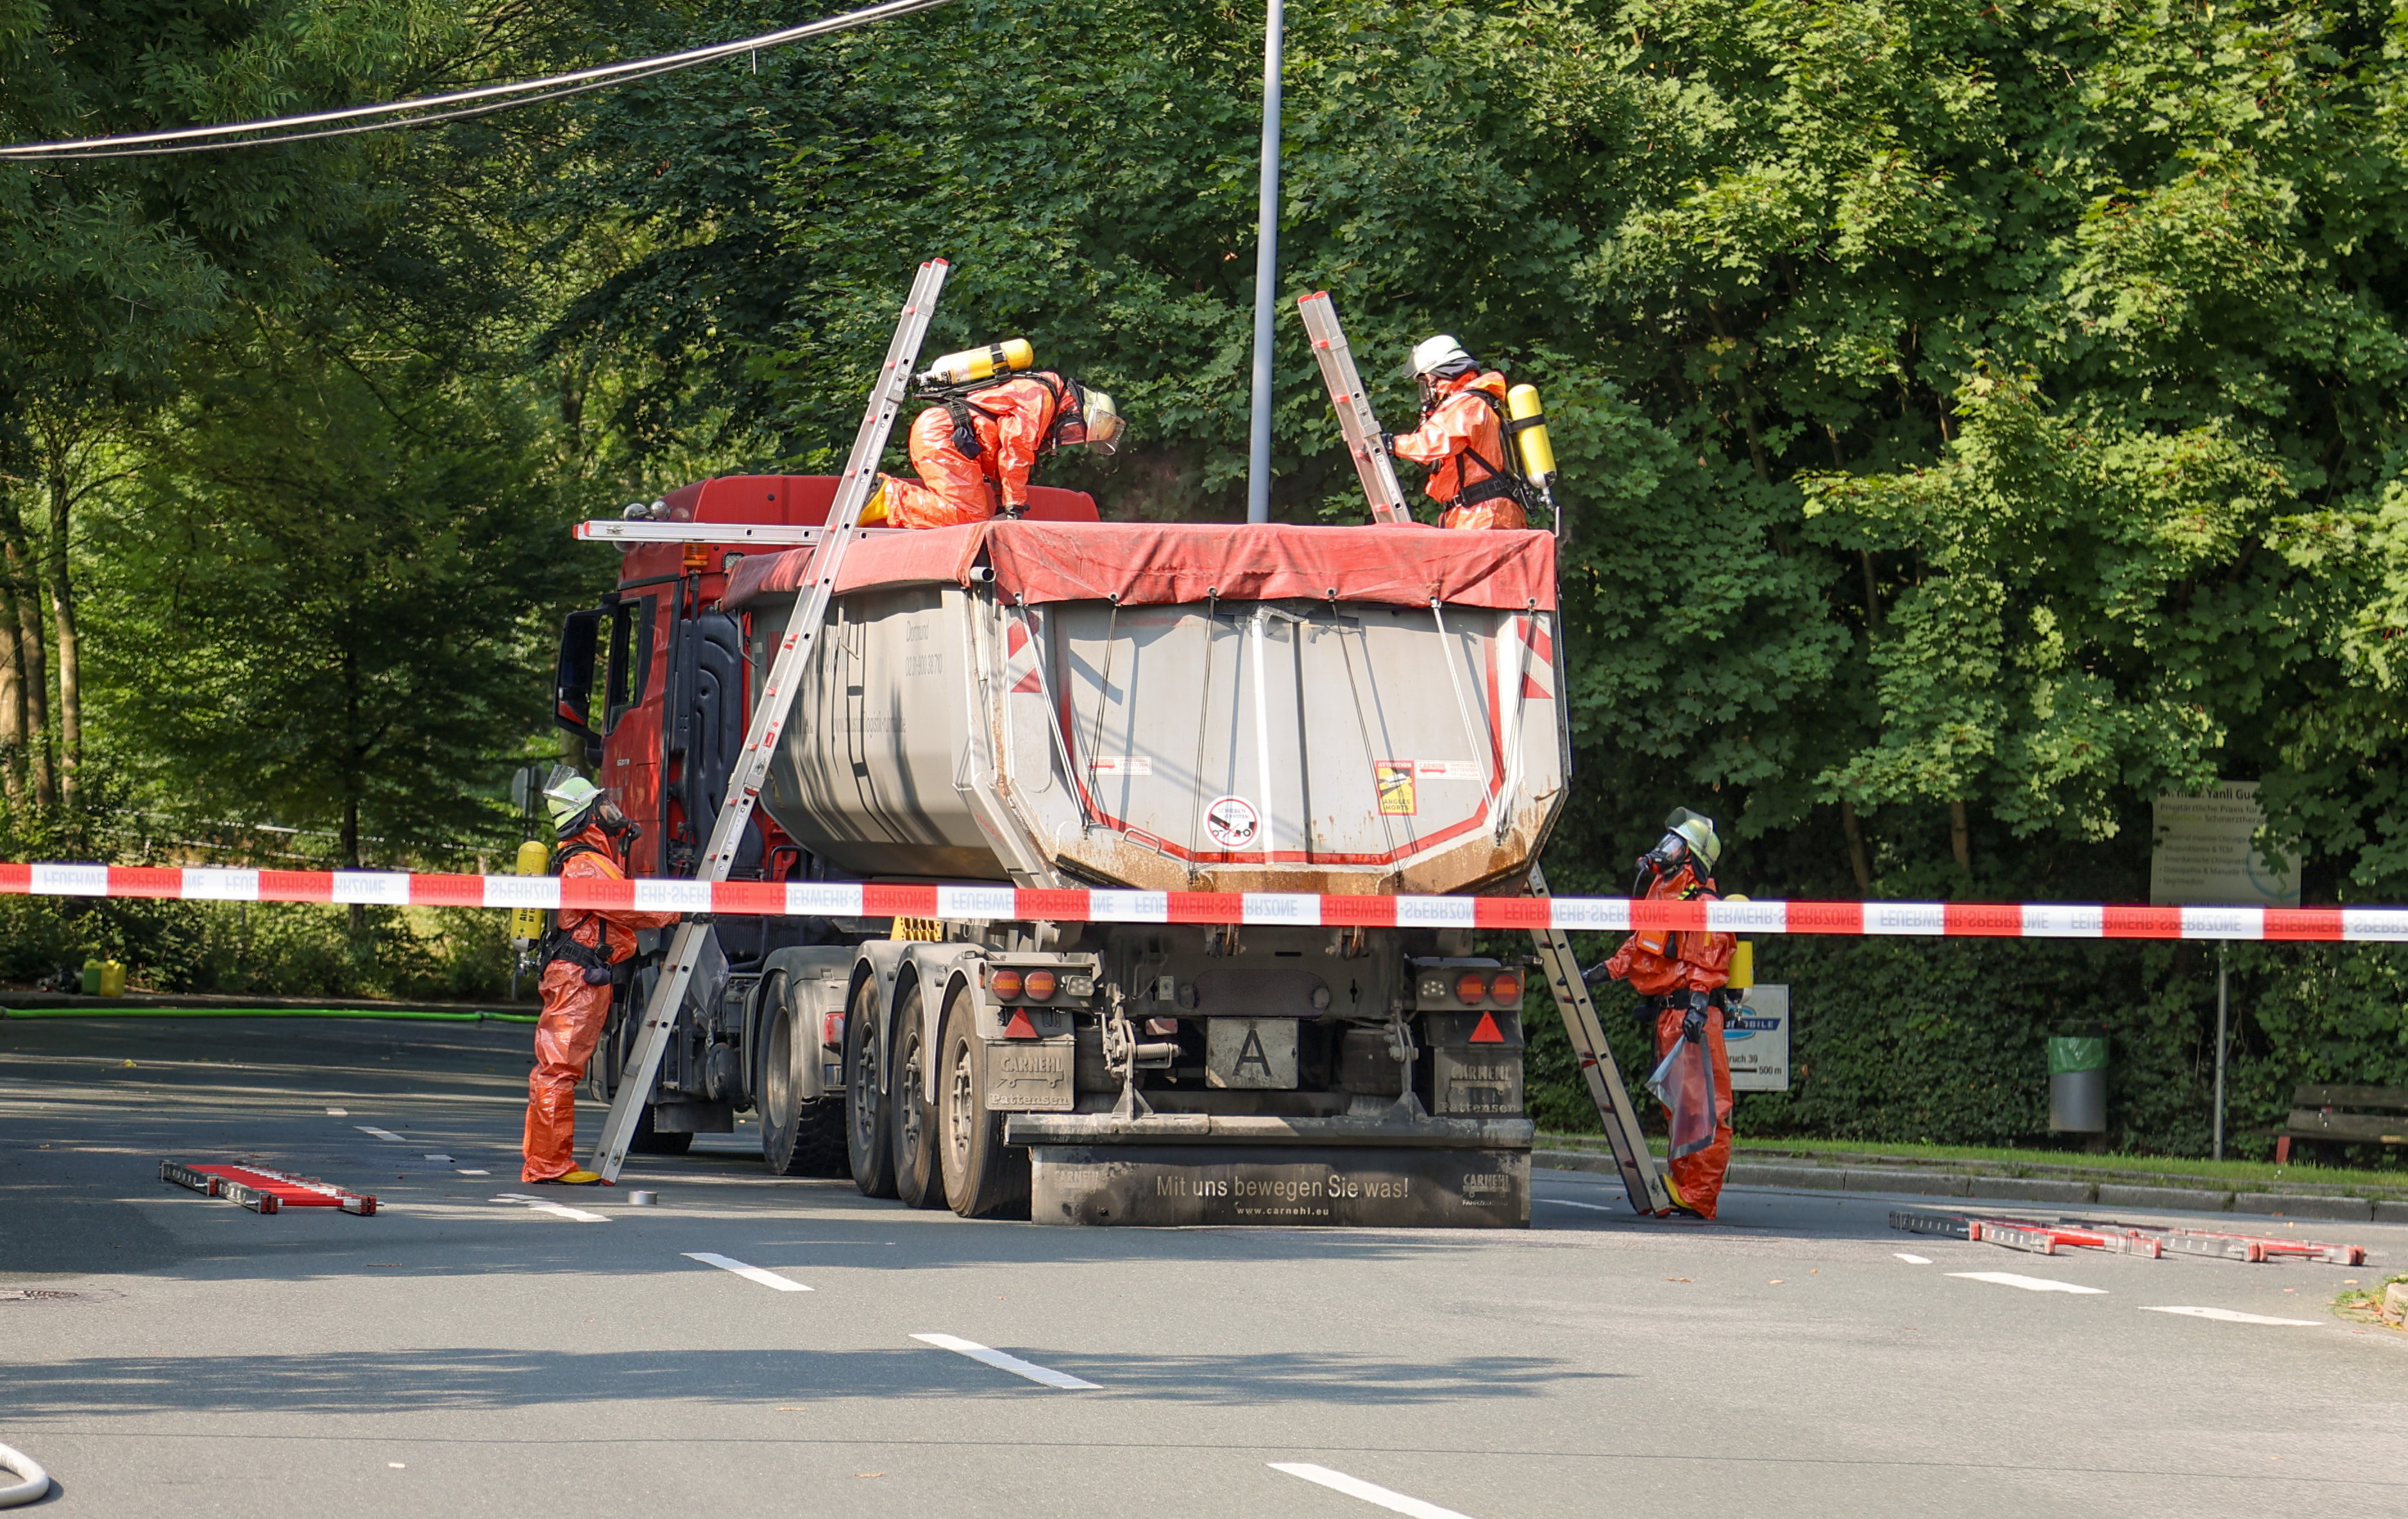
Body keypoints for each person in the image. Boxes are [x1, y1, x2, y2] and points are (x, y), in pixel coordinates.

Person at [521, 774, 682, 1185]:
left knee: (556, 1069)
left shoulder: (586, 860)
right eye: (602, 805)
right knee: (559, 1069)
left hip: (578, 974)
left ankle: (545, 1161)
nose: (612, 811)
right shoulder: (584, 865)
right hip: (577, 977)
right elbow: (628, 908)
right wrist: (679, 910)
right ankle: (548, 1164)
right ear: (588, 817)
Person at [1590, 807, 1737, 1219]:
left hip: (1694, 1016)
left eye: (1675, 845)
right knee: (1681, 1108)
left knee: (1707, 1108)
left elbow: (1708, 959)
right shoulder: (1663, 893)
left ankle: (1701, 1195)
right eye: (1667, 841)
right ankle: (1685, 1186)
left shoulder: (1704, 903)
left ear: (1692, 857)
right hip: (1672, 1016)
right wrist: (1603, 972)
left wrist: (1698, 1005)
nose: (1664, 850)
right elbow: (1641, 947)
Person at [865, 368, 1123, 529]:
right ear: (1076, 410)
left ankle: (885, 496)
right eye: (1075, 431)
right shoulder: (1041, 399)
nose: (1067, 438)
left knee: (973, 519)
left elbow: (1000, 458)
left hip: (948, 435)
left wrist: (1004, 507)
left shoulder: (1042, 395)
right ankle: (887, 497)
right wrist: (1014, 508)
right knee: (969, 520)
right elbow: (1015, 452)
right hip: (945, 435)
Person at [1384, 335, 1527, 530]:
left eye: (1425, 382)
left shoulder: (1468, 403)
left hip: (1482, 515)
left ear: (1437, 375)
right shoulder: (1477, 401)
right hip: (1482, 511)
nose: (1426, 391)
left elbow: (1434, 443)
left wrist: (1392, 444)